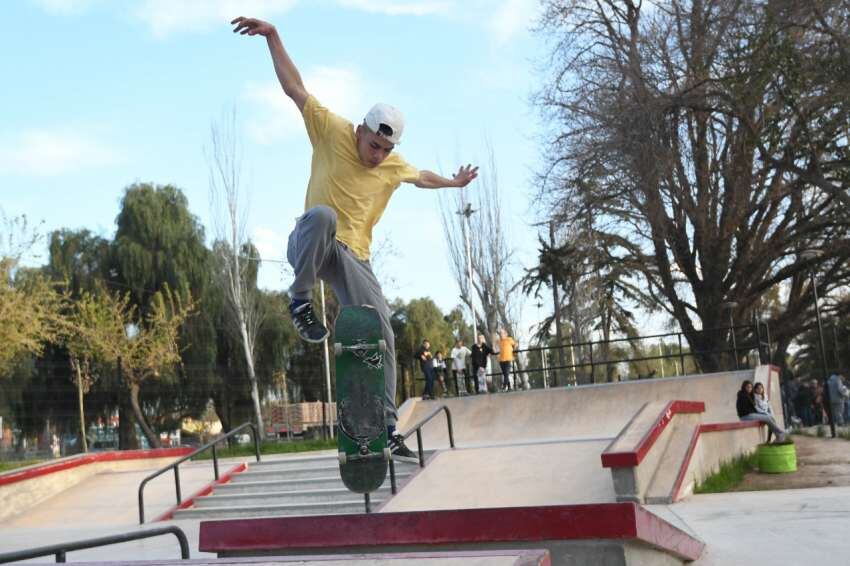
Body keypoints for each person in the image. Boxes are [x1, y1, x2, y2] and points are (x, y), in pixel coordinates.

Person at [231, 17, 478, 459]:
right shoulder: (331, 128)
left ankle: (385, 426)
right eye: (372, 147)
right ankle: (300, 299)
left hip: (352, 259)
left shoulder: (393, 164)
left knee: (381, 327)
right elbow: (294, 88)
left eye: (384, 152)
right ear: (362, 130)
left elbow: (420, 176)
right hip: (310, 243)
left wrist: (453, 184)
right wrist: (273, 37)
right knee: (323, 216)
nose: (376, 157)